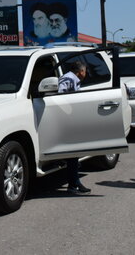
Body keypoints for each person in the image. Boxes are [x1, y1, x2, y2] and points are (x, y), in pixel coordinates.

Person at [58, 61, 91, 195]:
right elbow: (61, 95)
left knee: (74, 155)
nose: (86, 73)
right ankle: (73, 185)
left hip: (71, 119)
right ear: (80, 71)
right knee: (72, 155)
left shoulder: (72, 78)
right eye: (85, 71)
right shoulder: (69, 78)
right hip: (68, 121)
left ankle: (75, 182)